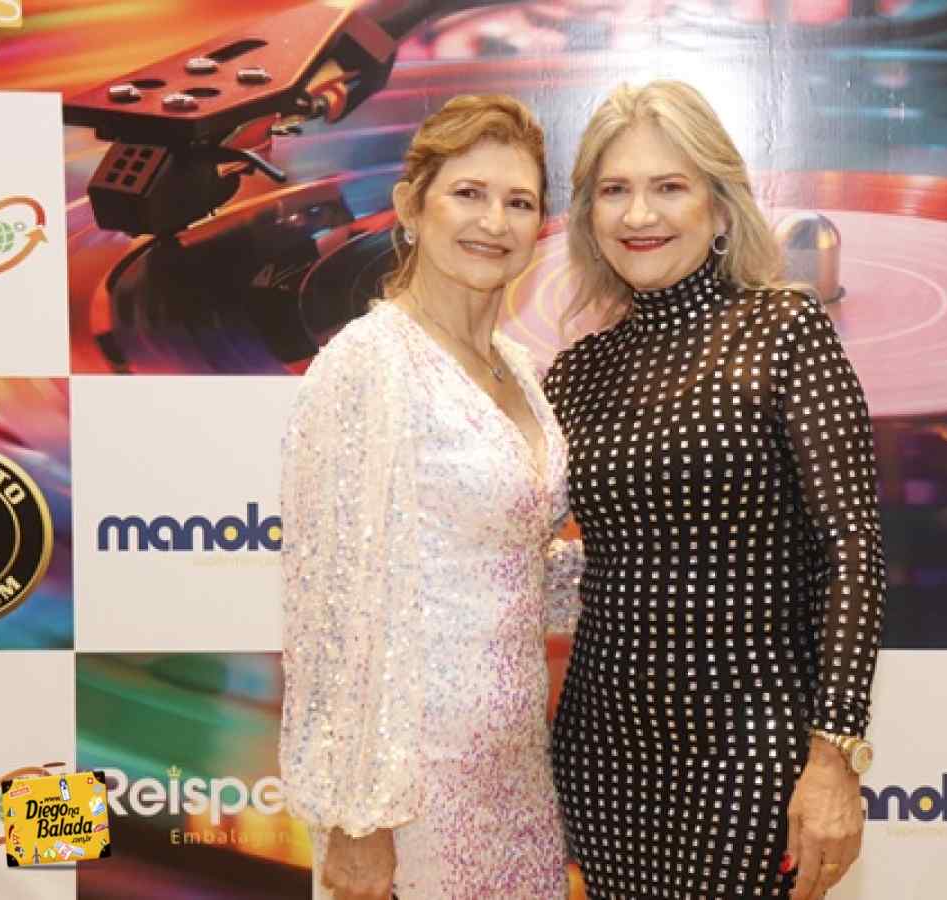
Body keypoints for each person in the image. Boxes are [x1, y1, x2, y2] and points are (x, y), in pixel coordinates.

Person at [544, 80, 887, 900]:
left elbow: (851, 549)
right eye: (614, 190)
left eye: (669, 186)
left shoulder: (784, 331)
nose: (639, 214)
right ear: (589, 216)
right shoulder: (577, 373)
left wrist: (835, 756)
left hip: (752, 747)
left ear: (720, 207)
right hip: (604, 749)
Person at [279, 94, 581, 900]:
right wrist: (358, 821)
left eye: (519, 202)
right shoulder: (368, 364)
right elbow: (331, 610)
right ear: (412, 207)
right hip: (409, 790)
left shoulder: (520, 368)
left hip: (516, 774)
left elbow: (509, 568)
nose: (494, 222)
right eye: (468, 194)